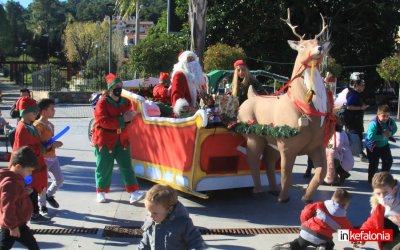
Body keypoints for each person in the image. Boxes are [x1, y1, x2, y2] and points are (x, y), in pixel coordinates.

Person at [92, 73, 146, 204]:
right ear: (110, 88)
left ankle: (133, 192)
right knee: (104, 167)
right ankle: (101, 191)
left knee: (126, 165)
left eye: (121, 86)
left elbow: (128, 119)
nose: (119, 89)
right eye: (116, 86)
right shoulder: (102, 103)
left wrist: (130, 118)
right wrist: (123, 119)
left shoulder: (125, 102)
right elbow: (102, 121)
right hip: (105, 139)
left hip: (122, 138)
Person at [272, 188, 352, 250]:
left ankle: (290, 246)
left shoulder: (320, 205)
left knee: (299, 244)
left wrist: (305, 223)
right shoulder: (342, 219)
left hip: (305, 232)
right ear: (344, 205)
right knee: (330, 244)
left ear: (332, 198)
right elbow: (349, 232)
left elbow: (306, 211)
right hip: (322, 238)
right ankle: (322, 247)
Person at [12, 96, 50, 224]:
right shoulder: (22, 128)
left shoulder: (30, 126)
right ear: (25, 113)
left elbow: (36, 143)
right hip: (25, 167)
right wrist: (44, 148)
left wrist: (46, 145)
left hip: (31, 166)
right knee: (29, 189)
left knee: (32, 189)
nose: (36, 114)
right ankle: (31, 214)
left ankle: (33, 213)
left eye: (36, 111)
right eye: (33, 112)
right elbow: (25, 150)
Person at [137, 184, 205, 250]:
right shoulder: (150, 222)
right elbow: (145, 244)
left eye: (155, 213)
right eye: (148, 211)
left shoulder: (183, 223)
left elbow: (196, 243)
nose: (150, 215)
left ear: (169, 210)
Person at [0, 146, 40, 250]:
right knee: (33, 246)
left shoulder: (16, 178)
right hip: (15, 223)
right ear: (18, 167)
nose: (30, 174)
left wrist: (24, 193)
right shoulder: (11, 183)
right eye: (29, 170)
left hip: (15, 222)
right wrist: (13, 226)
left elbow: (15, 198)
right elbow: (7, 206)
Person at [354, 172, 400, 249]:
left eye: (386, 192)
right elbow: (372, 222)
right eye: (378, 194)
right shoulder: (379, 205)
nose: (382, 197)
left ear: (394, 189)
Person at [33, 98, 64, 214]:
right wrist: (53, 145)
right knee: (43, 183)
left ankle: (49, 195)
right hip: (43, 159)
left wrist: (55, 144)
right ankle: (42, 205)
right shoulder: (37, 126)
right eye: (52, 109)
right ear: (43, 111)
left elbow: (50, 141)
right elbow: (39, 145)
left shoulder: (50, 124)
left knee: (60, 180)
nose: (54, 111)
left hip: (53, 158)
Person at [365, 105, 397, 183]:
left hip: (384, 145)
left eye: (388, 116)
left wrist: (390, 133)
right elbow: (370, 136)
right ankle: (371, 180)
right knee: (374, 164)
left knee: (388, 161)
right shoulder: (374, 124)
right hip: (373, 146)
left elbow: (395, 128)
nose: (386, 118)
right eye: (383, 116)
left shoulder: (390, 121)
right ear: (378, 114)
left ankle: (384, 178)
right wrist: (382, 136)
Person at [170, 51, 205, 116]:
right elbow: (177, 101)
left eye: (193, 59)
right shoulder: (179, 75)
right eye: (189, 60)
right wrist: (196, 112)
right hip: (183, 117)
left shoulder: (195, 79)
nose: (193, 63)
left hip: (195, 113)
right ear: (183, 63)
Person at [344, 79, 369, 162]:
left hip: (356, 121)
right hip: (352, 122)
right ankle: (359, 154)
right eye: (362, 85)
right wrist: (361, 108)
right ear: (356, 86)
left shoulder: (357, 94)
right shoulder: (354, 95)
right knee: (355, 138)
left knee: (357, 138)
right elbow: (349, 106)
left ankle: (359, 153)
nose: (363, 87)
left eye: (364, 85)